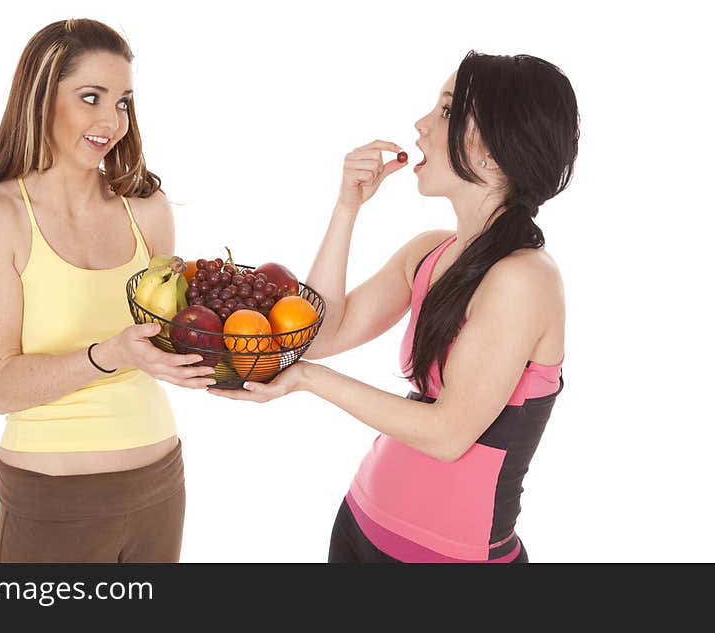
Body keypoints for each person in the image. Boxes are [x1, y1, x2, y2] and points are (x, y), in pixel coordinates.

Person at [209, 50, 578, 563]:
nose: (421, 125)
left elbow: (448, 434)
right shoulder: (429, 250)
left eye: (447, 111)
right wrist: (347, 207)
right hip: (361, 522)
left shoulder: (525, 279)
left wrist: (308, 380)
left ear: (495, 151)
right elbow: (317, 335)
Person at [0, 18, 217, 563]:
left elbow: (164, 343)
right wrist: (109, 355)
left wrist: (222, 352)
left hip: (160, 486)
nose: (111, 120)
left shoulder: (147, 210)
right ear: (41, 97)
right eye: (90, 97)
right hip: (53, 500)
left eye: (122, 102)